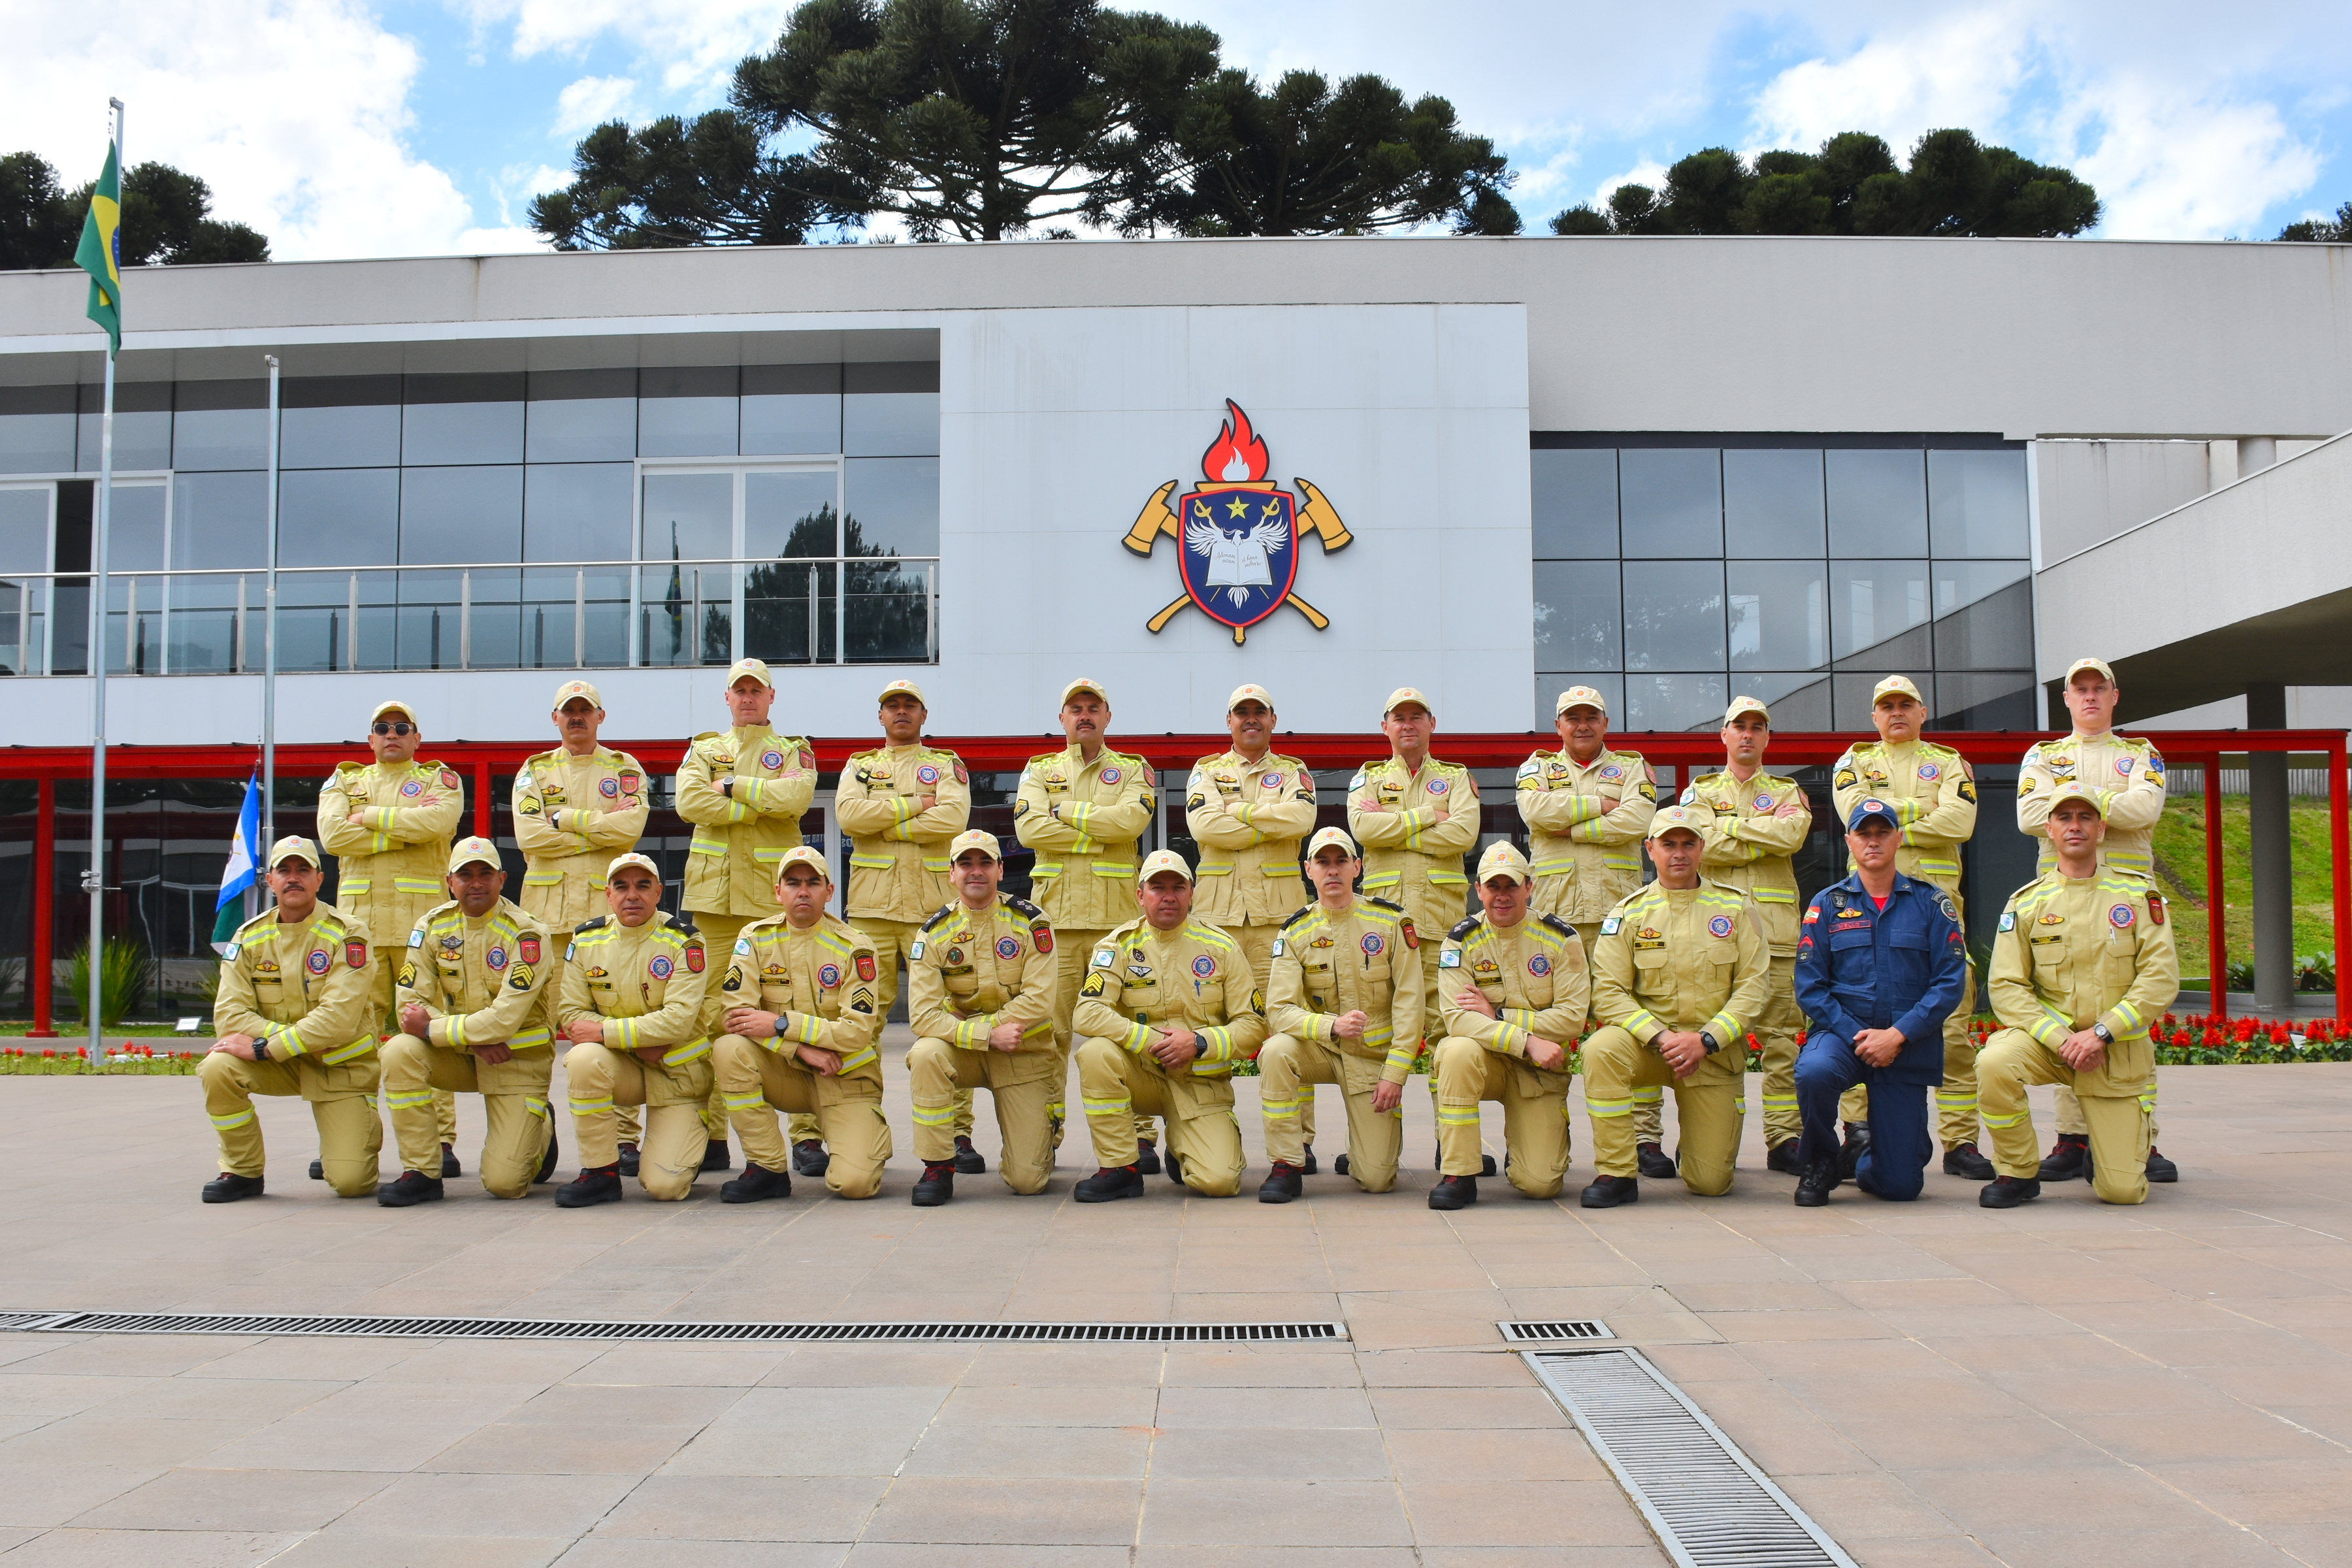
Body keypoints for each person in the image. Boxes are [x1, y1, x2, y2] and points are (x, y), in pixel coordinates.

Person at [1976, 787, 2178, 1209]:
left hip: (2114, 1051)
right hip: (2051, 1046)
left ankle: (2107, 1157)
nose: (2074, 825)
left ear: (2101, 829)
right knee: (1993, 1061)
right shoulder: (2027, 903)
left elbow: (2160, 979)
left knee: (2122, 1192)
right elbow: (2007, 987)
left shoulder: (2139, 897)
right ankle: (2018, 1171)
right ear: (2048, 830)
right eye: (2064, 817)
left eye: (2085, 818)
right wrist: (2060, 1038)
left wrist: (2101, 1033)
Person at [2017, 657, 2178, 1184]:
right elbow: (2026, 818)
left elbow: (2146, 810)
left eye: (2098, 689)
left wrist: (2069, 802)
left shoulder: (2141, 753)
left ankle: (2142, 1138)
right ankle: (2072, 1137)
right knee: (2067, 1005)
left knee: (2132, 1016)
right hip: (2060, 898)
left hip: (2127, 902)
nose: (2089, 697)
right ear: (2066, 699)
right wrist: (2110, 802)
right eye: (2079, 689)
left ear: (2114, 696)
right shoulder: (2044, 754)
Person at [1829, 676, 1994, 1181]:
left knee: (1954, 1030)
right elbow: (1854, 818)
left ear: (1923, 712)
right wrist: (1925, 811)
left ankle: (1960, 1141)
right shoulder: (1852, 763)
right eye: (1887, 707)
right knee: (1861, 1017)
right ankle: (1859, 1131)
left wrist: (1889, 819)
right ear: (1875, 717)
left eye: (1906, 705)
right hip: (1871, 909)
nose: (1896, 713)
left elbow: (1961, 824)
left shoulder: (1949, 762)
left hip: (1935, 912)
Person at [1578, 808, 1772, 1207]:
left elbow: (1754, 987)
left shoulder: (1735, 909)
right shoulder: (1629, 914)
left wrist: (1707, 1039)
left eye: (1687, 844)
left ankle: (1700, 1141)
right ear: (1650, 850)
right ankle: (1617, 1170)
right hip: (1652, 1047)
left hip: (1711, 1054)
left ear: (1703, 848)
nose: (1678, 853)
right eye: (1668, 844)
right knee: (1601, 1049)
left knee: (1710, 1183)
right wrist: (1662, 1036)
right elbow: (1609, 991)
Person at [832, 678, 981, 1177]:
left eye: (909, 706)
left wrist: (885, 821)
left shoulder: (945, 765)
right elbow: (850, 817)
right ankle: (858, 1126)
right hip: (872, 912)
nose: (900, 712)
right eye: (892, 706)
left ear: (923, 715)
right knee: (861, 1022)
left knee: (949, 1017)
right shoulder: (860, 765)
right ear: (880, 717)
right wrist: (917, 804)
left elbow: (954, 819)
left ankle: (957, 1134)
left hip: (934, 912)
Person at [1789, 800, 1970, 1206]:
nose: (1873, 841)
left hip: (1905, 1042)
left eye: (1882, 832)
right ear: (1849, 841)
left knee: (1900, 1187)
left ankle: (1870, 1152)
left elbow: (1949, 981)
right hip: (1844, 1036)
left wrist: (1897, 1035)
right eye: (1864, 834)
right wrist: (1860, 1036)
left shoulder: (1930, 904)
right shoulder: (1827, 904)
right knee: (1814, 1072)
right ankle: (1820, 1161)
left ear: (1898, 839)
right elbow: (1810, 986)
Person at [676, 657, 817, 1175]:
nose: (748, 698)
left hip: (770, 902)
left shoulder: (792, 751)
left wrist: (732, 787)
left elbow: (797, 796)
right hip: (715, 904)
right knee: (711, 1018)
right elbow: (689, 803)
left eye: (757, 690)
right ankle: (713, 1136)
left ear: (771, 697)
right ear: (728, 697)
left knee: (792, 1006)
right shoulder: (703, 749)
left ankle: (806, 1135)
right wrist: (762, 802)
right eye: (740, 690)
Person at [316, 699, 465, 1177]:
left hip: (421, 934)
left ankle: (439, 1141)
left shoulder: (441, 779)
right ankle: (351, 1135)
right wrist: (402, 826)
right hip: (360, 932)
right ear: (370, 739)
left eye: (402, 727)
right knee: (351, 1038)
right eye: (383, 727)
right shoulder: (345, 780)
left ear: (418, 738)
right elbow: (333, 836)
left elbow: (437, 823)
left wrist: (370, 818)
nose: (392, 733)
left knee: (426, 1035)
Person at [1518, 683, 1661, 1175]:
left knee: (1626, 1026)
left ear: (1605, 723)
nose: (1582, 725)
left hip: (1617, 919)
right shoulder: (1537, 768)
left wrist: (1573, 825)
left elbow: (1639, 819)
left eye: (1591, 717)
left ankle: (1644, 1138)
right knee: (1550, 1025)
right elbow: (1534, 812)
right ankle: (1546, 1134)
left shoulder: (1632, 767)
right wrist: (1602, 805)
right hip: (1554, 923)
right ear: (1558, 725)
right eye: (1572, 717)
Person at [1070, 850, 1267, 1201]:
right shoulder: (1117, 946)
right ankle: (1121, 1169)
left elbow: (1253, 1025)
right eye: (1157, 887)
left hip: (1198, 1082)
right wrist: (1150, 1040)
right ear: (1140, 895)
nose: (1169, 896)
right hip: (1142, 1075)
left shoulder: (1222, 947)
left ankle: (1185, 1146)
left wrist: (1199, 1042)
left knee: (1218, 1184)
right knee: (1095, 1053)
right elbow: (1087, 1013)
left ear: (1192, 894)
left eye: (1179, 887)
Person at [512, 678, 650, 1174]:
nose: (576, 718)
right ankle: (535, 1131)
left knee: (614, 1023)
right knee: (537, 1031)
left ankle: (624, 1138)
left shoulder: (624, 768)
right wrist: (594, 829)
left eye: (584, 711)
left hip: (607, 924)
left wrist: (563, 820)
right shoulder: (534, 771)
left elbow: (629, 829)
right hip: (548, 923)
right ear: (555, 719)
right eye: (567, 711)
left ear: (600, 716)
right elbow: (528, 833)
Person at [1015, 678, 1156, 1159]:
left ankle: (1140, 1135)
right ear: (1062, 719)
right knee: (1049, 1036)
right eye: (1075, 708)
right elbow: (1028, 827)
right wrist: (1098, 830)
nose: (1084, 716)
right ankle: (1048, 1134)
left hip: (1116, 926)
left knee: (1126, 1030)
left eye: (1093, 708)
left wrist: (1066, 811)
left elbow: (1132, 823)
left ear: (1107, 717)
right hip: (1054, 926)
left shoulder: (1134, 769)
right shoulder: (1039, 769)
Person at [197, 836, 382, 1201]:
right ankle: (242, 1170)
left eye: (303, 870)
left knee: (351, 1183)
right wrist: (280, 1045)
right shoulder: (248, 937)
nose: (293, 878)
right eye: (284, 870)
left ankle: (350, 1136)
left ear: (319, 879)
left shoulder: (350, 933)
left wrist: (266, 1046)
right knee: (217, 1067)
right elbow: (230, 1015)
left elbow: (338, 1021)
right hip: (285, 1062)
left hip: (338, 1064)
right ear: (270, 880)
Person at [377, 838, 560, 1206]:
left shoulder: (528, 934)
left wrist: (434, 1029)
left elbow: (504, 1020)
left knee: (504, 1184)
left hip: (514, 1059)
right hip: (464, 1056)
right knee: (399, 1051)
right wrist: (470, 1040)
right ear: (450, 882)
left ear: (502, 879)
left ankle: (541, 1127)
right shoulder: (432, 927)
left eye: (485, 874)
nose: (475, 883)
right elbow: (410, 1005)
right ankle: (422, 1172)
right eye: (466, 875)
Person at [1187, 683, 1322, 1169]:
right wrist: (1268, 818)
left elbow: (1301, 818)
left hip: (1275, 921)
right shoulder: (1207, 770)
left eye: (1258, 712)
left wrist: (1236, 812)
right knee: (1207, 1026)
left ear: (1272, 719)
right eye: (1241, 713)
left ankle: (1297, 1142)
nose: (1250, 720)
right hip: (1217, 921)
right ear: (1229, 722)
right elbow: (1205, 829)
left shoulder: (1294, 772)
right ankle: (1204, 1131)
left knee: (1285, 1029)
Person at [1348, 687, 1482, 1173]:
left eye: (1416, 717)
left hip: (1439, 926)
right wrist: (1429, 816)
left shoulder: (1456, 777)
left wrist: (1396, 823)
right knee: (1380, 1033)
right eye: (1398, 718)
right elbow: (1364, 831)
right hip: (1381, 930)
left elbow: (1464, 834)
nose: (1407, 725)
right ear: (1385, 726)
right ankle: (1374, 1145)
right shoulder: (1368, 777)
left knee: (1446, 1036)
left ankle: (1452, 1146)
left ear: (1431, 724)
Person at [710, 847, 890, 1201]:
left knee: (854, 1185)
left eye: (812, 883)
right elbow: (736, 1016)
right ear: (778, 891)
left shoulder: (856, 947)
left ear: (829, 891)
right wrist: (798, 1047)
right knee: (728, 1049)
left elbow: (855, 1032)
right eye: (793, 883)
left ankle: (861, 1143)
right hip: (788, 1074)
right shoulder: (755, 938)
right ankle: (766, 1168)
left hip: (842, 1076)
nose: (803, 891)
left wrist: (778, 1024)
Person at [1255, 827, 1423, 1203]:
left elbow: (1411, 1004)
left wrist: (1395, 1075)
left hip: (1371, 1059)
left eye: (1341, 861)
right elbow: (1280, 1010)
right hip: (1321, 1050)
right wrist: (1331, 1025)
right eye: (1323, 862)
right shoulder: (1296, 931)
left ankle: (1363, 1149)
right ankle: (1287, 1162)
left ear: (1357, 867)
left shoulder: (1392, 923)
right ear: (1308, 870)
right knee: (1277, 1051)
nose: (1332, 871)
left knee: (1378, 1179)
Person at [1680, 696, 1812, 1175]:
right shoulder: (1699, 791)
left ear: (1767, 737)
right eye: (1740, 727)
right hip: (1717, 938)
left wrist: (1728, 829)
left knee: (1781, 1041)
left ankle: (1784, 1139)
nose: (1748, 735)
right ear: (1725, 735)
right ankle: (1702, 1137)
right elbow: (1698, 843)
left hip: (1776, 935)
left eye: (1758, 727)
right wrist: (1760, 831)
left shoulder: (1786, 788)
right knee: (1714, 1039)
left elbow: (1793, 835)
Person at [904, 830, 1058, 1205]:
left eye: (985, 862)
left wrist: (981, 1029)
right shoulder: (933, 934)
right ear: (951, 873)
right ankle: (938, 1166)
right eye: (966, 864)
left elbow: (1039, 1002)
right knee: (926, 1054)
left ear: (1001, 870)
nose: (976, 872)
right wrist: (986, 1035)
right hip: (968, 1052)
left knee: (1028, 1181)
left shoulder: (1032, 923)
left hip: (1022, 1051)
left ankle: (1042, 1135)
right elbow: (922, 1017)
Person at [1428, 842, 1586, 1209]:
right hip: (1489, 1064)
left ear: (1528, 887)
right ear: (1478, 889)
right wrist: (1527, 1040)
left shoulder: (1561, 939)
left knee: (1540, 1184)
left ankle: (1524, 1151)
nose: (1502, 896)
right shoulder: (1460, 941)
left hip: (1537, 1072)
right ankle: (1459, 1173)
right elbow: (1458, 1018)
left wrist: (1498, 1015)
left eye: (1511, 886)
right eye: (1493, 886)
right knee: (1455, 1050)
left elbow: (1572, 1017)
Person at [553, 853, 716, 1206]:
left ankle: (688, 1143)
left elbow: (677, 1020)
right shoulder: (586, 941)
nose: (632, 895)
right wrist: (634, 1041)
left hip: (676, 1075)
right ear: (608, 895)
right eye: (622, 887)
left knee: (665, 1187)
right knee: (583, 1060)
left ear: (659, 892)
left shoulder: (685, 942)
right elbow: (571, 1014)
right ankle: (600, 1174)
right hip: (625, 1067)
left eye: (643, 886)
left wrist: (604, 1033)